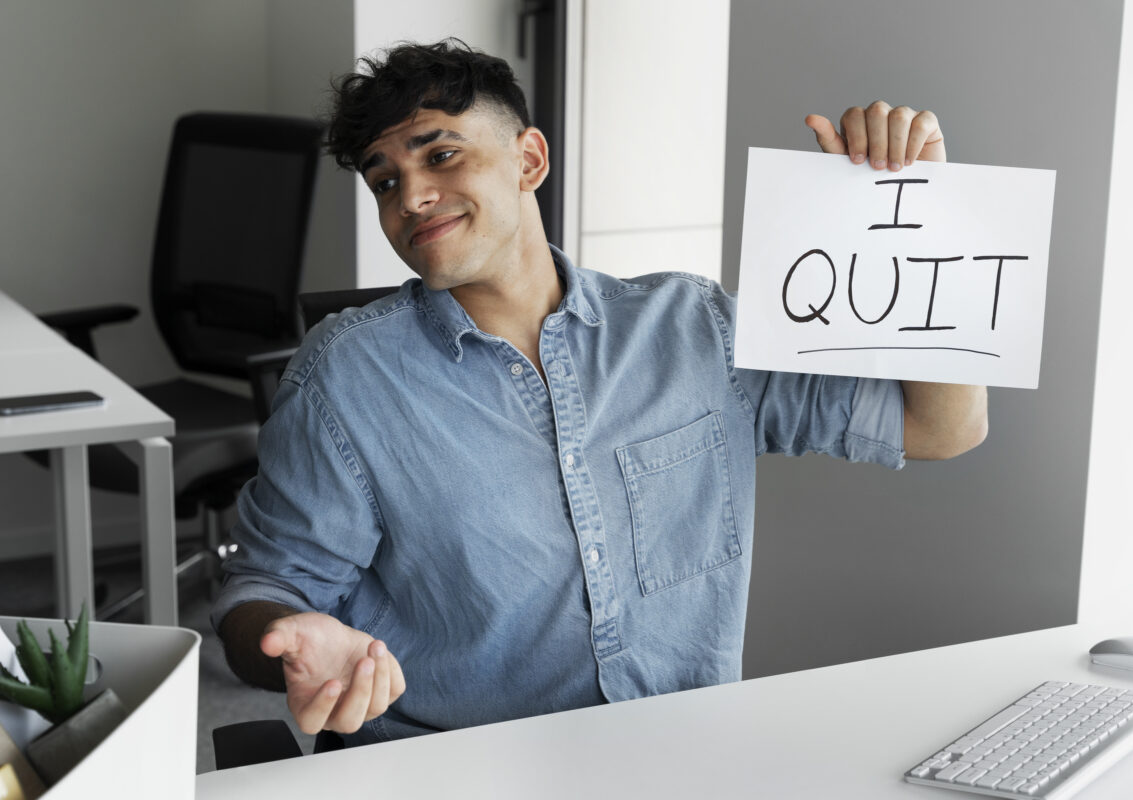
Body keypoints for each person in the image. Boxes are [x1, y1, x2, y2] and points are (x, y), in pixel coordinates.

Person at [213, 39, 987, 749]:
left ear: (529, 160)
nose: (411, 196)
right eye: (386, 181)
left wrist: (918, 212)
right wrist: (292, 637)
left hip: (680, 758)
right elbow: (264, 588)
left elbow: (942, 428)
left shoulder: (694, 328)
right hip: (452, 769)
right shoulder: (346, 379)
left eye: (441, 155)